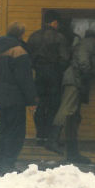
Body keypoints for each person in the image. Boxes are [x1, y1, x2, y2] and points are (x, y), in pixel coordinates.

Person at [46, 29, 95, 164]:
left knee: (73, 117)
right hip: (75, 80)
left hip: (75, 79)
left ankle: (72, 153)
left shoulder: (83, 42)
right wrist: (87, 72)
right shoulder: (89, 43)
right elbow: (83, 60)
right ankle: (52, 140)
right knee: (67, 110)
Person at [0, 22, 37, 176]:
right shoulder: (19, 51)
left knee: (1, 131)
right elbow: (25, 79)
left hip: (0, 95)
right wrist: (31, 101)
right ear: (21, 34)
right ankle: (9, 165)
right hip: (15, 98)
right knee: (15, 133)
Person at [26, 11, 70, 144]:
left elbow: (28, 57)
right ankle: (50, 136)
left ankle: (40, 135)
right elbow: (64, 58)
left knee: (39, 105)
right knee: (53, 105)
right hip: (54, 74)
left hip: (39, 74)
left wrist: (37, 67)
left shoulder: (33, 36)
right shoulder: (59, 37)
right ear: (54, 23)